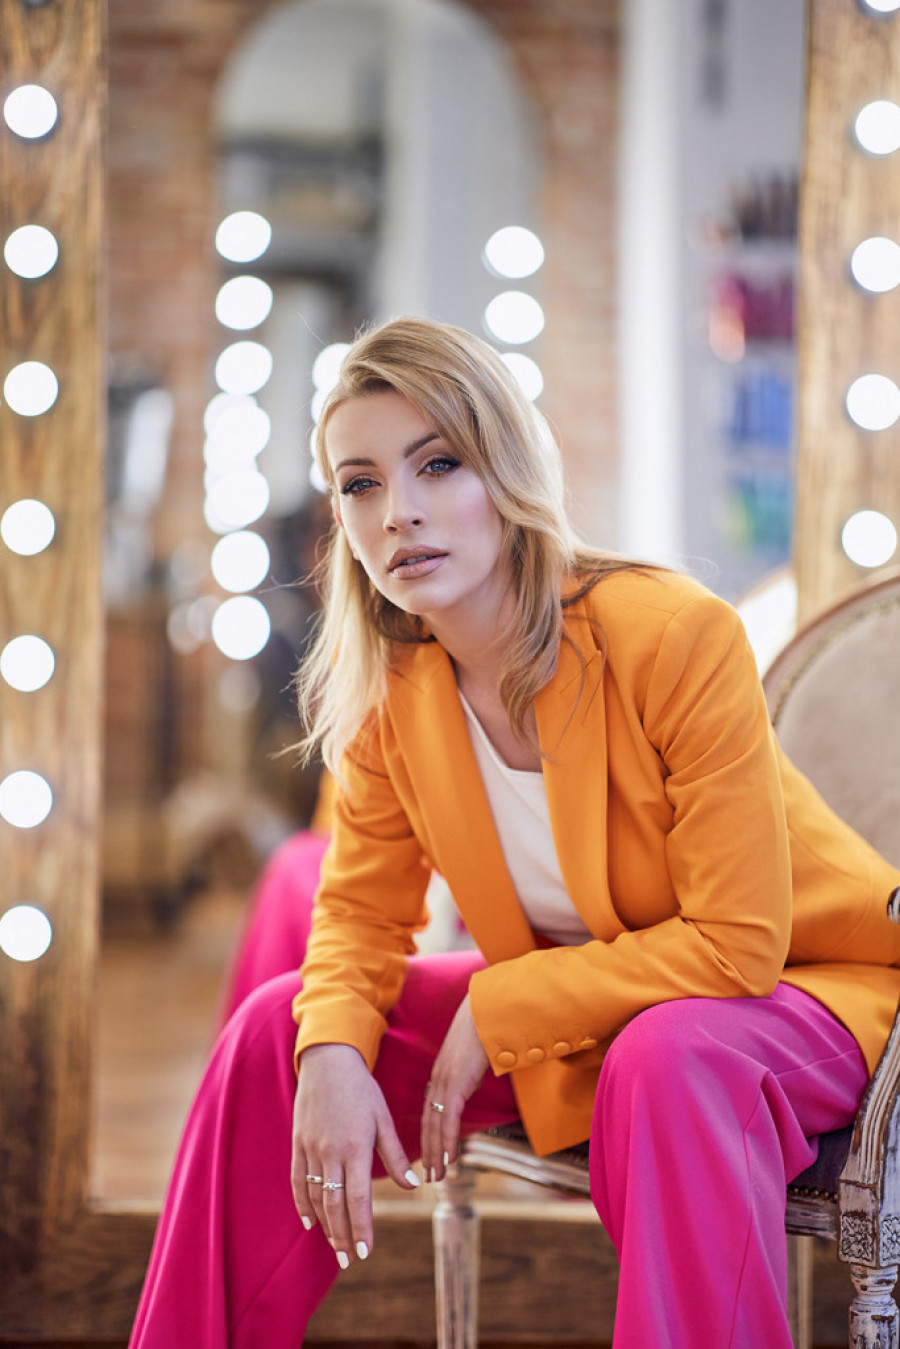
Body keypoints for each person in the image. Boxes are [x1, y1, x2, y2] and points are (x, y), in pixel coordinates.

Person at [130, 316, 900, 1349]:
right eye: (360, 483)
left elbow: (739, 943)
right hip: (604, 1002)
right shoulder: (390, 687)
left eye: (438, 464)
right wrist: (332, 1049)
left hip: (797, 991)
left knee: (670, 1053)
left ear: (507, 468)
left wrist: (501, 1005)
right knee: (282, 1031)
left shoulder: (675, 633)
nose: (398, 512)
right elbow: (359, 914)